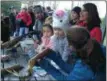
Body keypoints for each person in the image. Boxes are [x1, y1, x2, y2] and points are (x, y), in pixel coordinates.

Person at [29, 26, 105, 81]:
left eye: (69, 43)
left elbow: (66, 79)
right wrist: (52, 55)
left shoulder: (85, 67)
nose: (68, 45)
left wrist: (46, 65)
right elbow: (73, 70)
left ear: (75, 46)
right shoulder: (95, 47)